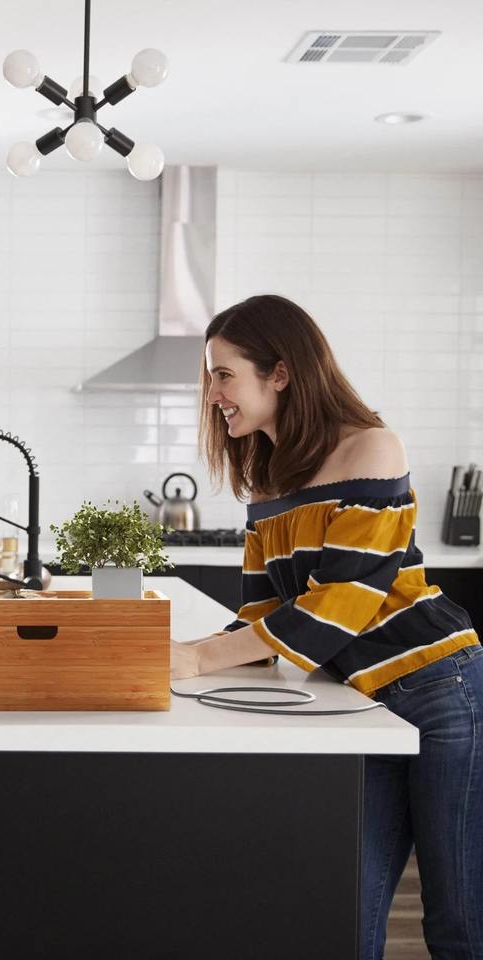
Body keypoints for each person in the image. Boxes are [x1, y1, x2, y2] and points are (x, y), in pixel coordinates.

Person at [172, 294, 482, 960]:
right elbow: (262, 616)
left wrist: (195, 659)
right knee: (347, 915)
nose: (212, 393)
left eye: (224, 374)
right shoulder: (265, 483)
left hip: (440, 691)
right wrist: (173, 657)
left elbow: (337, 606)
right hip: (361, 704)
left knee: (459, 921)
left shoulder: (372, 447)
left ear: (280, 373)